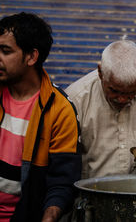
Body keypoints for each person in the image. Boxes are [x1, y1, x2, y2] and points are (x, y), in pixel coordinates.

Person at [0, 12, 81, 221]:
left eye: (5, 51)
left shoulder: (60, 110)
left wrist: (49, 216)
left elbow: (62, 182)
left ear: (32, 56)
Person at [65, 38, 136, 179]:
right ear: (100, 72)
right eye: (114, 90)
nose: (122, 99)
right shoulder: (76, 99)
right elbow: (63, 161)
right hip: (94, 195)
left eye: (130, 92)